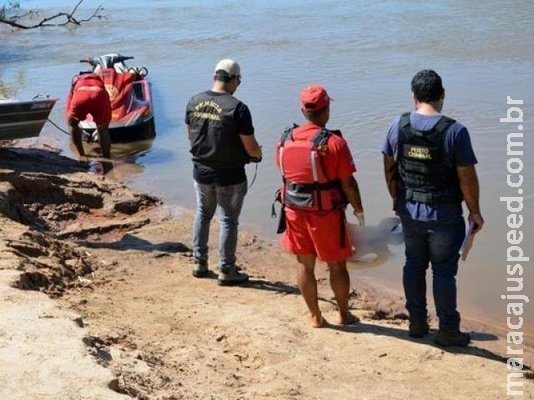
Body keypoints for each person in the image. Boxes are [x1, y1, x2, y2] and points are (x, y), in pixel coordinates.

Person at [382, 69, 484, 347]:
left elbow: (389, 167)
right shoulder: (456, 131)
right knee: (443, 271)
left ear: (414, 97)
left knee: (413, 264)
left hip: (409, 211)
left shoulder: (396, 126)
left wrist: (396, 199)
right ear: (443, 95)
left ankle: (416, 323)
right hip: (445, 215)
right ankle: (448, 329)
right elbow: (467, 176)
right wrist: (474, 211)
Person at [275, 85, 365, 328]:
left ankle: (315, 316)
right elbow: (348, 182)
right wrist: (358, 209)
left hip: (293, 209)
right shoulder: (335, 143)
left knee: (304, 263)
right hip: (325, 214)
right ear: (326, 110)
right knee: (337, 264)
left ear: (303, 110)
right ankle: (344, 314)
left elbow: (285, 172)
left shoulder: (284, 139)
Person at [185, 59, 262, 286]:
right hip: (230, 175)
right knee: (228, 220)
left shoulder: (194, 101)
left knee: (203, 214)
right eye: (239, 81)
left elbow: (192, 134)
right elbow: (250, 145)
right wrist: (257, 156)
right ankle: (227, 269)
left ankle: (199, 262)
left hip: (201, 170)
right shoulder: (238, 108)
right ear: (235, 80)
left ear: (214, 77)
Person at [66, 72, 112, 159]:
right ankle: (107, 157)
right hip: (99, 94)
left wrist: (71, 122)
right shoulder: (98, 78)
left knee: (74, 125)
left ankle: (82, 155)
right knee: (103, 130)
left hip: (80, 94)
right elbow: (105, 95)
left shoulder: (76, 79)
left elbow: (69, 101)